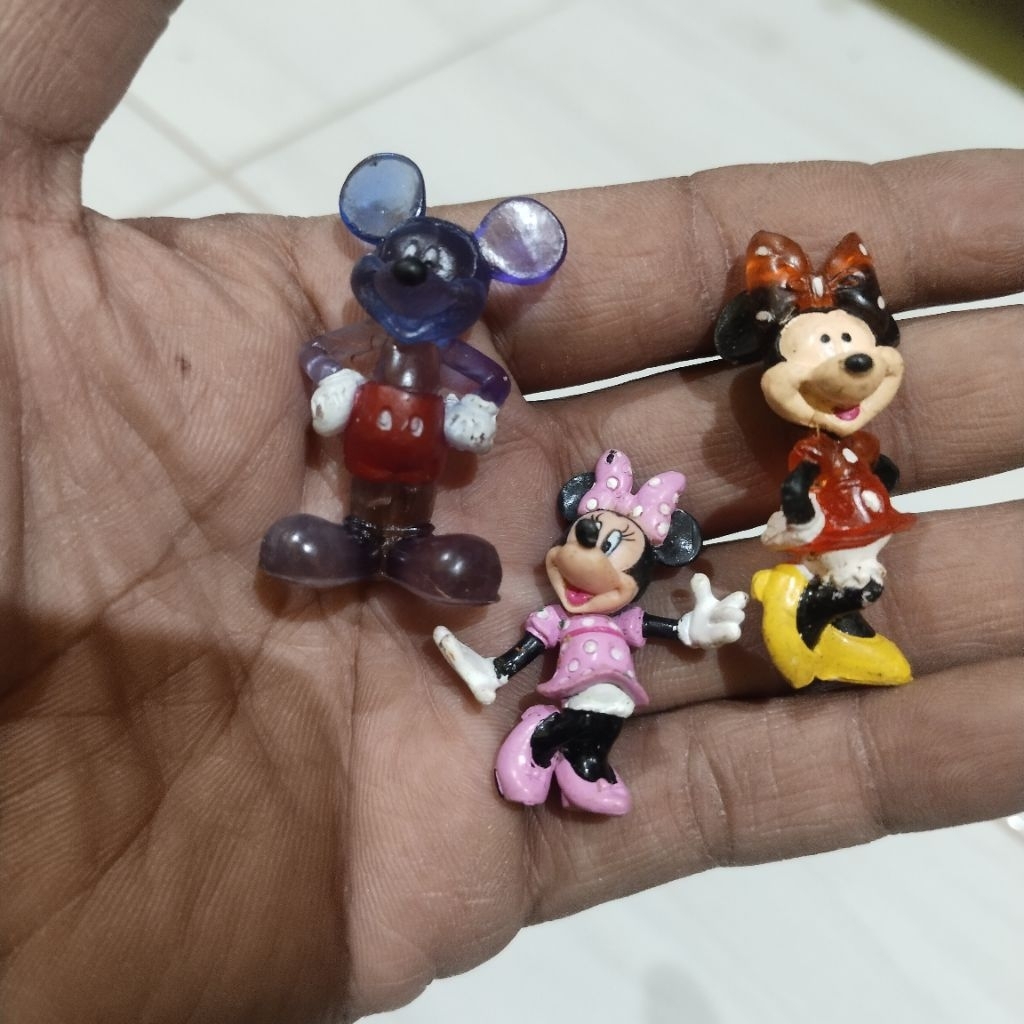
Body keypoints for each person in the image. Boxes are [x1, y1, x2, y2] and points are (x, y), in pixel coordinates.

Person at [0, 1, 1021, 1021]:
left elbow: (609, 595)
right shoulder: (371, 349)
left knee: (515, 629)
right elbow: (333, 367)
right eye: (590, 536)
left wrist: (700, 622)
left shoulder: (535, 482)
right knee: (371, 558)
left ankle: (550, 735)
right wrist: (340, 393)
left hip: (491, 572)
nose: (591, 558)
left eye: (611, 543)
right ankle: (470, 663)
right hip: (373, 489)